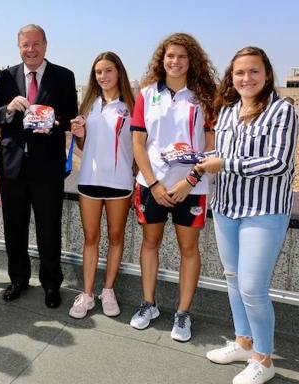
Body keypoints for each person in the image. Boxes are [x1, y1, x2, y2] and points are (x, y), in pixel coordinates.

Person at [198, 47, 297, 384]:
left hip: (264, 210)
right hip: (226, 206)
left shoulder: (282, 111)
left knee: (253, 288)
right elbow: (221, 153)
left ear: (266, 74)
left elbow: (279, 162)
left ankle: (264, 359)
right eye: (240, 73)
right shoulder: (226, 111)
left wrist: (223, 163)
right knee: (233, 278)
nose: (246, 78)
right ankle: (243, 342)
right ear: (232, 76)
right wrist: (196, 157)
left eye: (254, 71)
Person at [129, 33, 217, 342]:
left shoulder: (204, 96)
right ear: (161, 59)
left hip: (191, 187)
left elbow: (210, 142)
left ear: (191, 60)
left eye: (181, 56)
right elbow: (138, 142)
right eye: (170, 56)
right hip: (151, 185)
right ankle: (148, 304)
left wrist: (190, 180)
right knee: (150, 243)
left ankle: (182, 313)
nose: (175, 61)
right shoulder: (146, 93)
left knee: (188, 249)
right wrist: (152, 183)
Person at [0, 24, 78, 308]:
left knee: (48, 229)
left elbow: (70, 116)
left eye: (36, 44)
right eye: (25, 45)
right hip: (13, 166)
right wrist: (10, 109)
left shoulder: (63, 76)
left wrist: (50, 121)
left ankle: (51, 285)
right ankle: (19, 280)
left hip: (47, 168)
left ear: (45, 45)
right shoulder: (7, 76)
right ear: (19, 48)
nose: (31, 49)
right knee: (14, 228)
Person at [68, 52, 135, 319]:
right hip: (89, 181)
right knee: (91, 238)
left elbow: (140, 145)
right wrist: (80, 135)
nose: (103, 76)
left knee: (116, 237)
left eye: (108, 71)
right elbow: (83, 146)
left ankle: (108, 290)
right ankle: (87, 295)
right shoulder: (87, 104)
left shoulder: (131, 105)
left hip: (120, 182)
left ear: (119, 72)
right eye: (98, 72)